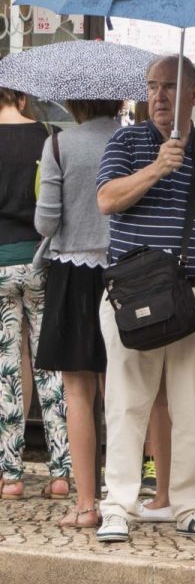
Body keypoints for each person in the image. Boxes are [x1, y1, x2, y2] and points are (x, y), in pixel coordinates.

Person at [93, 55, 195, 543]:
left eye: (171, 87)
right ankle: (118, 505)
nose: (159, 96)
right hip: (135, 295)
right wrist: (155, 168)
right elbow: (108, 199)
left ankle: (192, 504)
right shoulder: (126, 141)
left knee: (190, 402)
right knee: (127, 400)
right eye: (152, 87)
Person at [35, 98, 123, 530]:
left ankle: (86, 504)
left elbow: (45, 223)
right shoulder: (131, 140)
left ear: (73, 100)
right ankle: (121, 500)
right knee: (120, 392)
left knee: (78, 394)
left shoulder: (58, 145)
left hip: (73, 275)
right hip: (125, 274)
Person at [0, 87, 66, 500]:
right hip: (42, 262)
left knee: (6, 370)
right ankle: (61, 472)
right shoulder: (49, 134)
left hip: (0, 263)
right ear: (21, 99)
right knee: (51, 365)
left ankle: (10, 476)